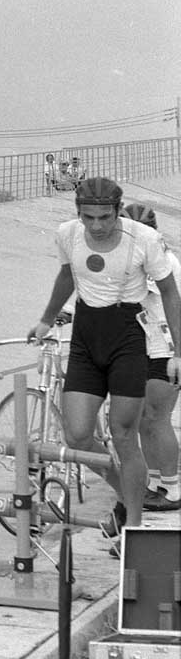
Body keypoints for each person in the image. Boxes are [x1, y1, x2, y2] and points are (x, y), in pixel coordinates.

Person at [27, 177, 181, 552]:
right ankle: (127, 494)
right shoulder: (67, 234)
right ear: (78, 213)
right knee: (77, 435)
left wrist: (178, 352)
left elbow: (169, 292)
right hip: (87, 336)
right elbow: (68, 275)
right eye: (88, 217)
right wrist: (46, 319)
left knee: (126, 433)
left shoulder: (144, 240)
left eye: (104, 217)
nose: (96, 226)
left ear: (117, 211)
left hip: (131, 338)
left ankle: (135, 528)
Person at [120, 203, 181, 511]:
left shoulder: (163, 260)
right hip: (145, 345)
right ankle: (155, 483)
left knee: (158, 418)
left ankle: (172, 490)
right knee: (144, 419)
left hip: (165, 348)